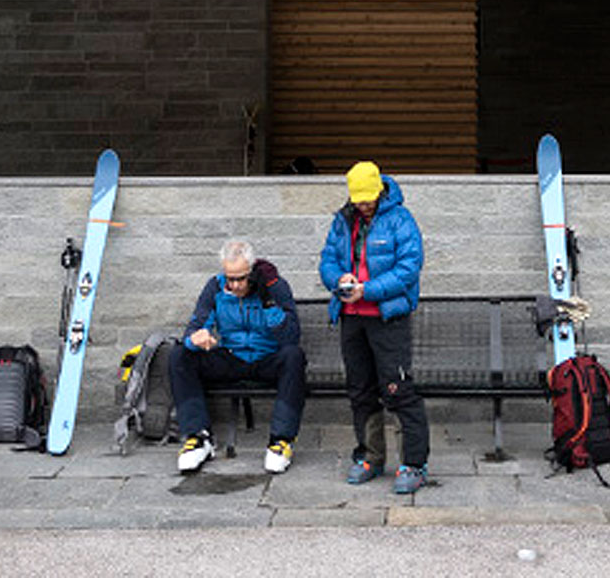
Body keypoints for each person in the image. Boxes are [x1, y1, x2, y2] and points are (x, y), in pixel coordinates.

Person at [319, 160, 430, 495]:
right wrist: (338, 279)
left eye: (368, 200)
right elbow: (327, 260)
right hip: (352, 317)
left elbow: (409, 268)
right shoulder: (343, 220)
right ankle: (369, 456)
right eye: (358, 200)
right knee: (360, 390)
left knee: (398, 389)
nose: (363, 206)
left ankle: (413, 463)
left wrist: (367, 290)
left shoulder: (400, 219)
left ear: (379, 192)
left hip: (387, 318)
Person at [169, 239, 306, 475]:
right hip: (232, 357)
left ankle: (281, 441)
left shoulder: (275, 286)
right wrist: (196, 338)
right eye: (230, 278)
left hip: (267, 359)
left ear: (252, 273)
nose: (234, 285)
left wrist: (267, 301)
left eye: (241, 278)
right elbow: (195, 326)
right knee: (180, 354)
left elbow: (291, 337)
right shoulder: (215, 287)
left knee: (294, 356)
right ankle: (198, 437)